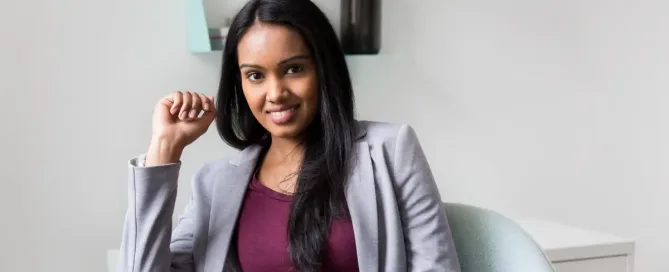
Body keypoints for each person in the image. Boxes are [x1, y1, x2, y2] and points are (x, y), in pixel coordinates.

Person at [118, 0, 460, 271]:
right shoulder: (214, 185)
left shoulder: (390, 151)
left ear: (323, 68)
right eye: (255, 75)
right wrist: (164, 148)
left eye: (293, 69)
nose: (275, 92)